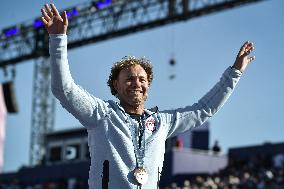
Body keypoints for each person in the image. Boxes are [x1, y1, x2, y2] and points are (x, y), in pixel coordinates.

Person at [41, 3, 255, 189]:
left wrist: (234, 73)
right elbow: (64, 89)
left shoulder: (162, 122)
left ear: (148, 86)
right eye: (129, 79)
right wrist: (58, 40)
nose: (137, 83)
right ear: (115, 85)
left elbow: (203, 110)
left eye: (142, 80)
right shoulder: (102, 115)